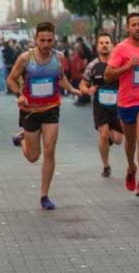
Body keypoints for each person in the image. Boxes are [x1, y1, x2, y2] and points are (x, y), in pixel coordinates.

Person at [7, 22, 82, 210]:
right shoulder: (25, 59)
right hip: (30, 111)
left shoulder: (59, 57)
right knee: (33, 156)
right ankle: (21, 139)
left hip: (51, 108)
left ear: (54, 39)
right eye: (43, 40)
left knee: (49, 150)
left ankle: (44, 195)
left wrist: (72, 89)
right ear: (35, 40)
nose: (46, 44)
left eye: (50, 40)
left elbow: (61, 77)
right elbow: (11, 79)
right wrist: (20, 95)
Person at [105, 13, 139, 197]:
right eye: (133, 25)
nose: (137, 27)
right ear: (127, 28)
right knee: (130, 140)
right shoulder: (120, 49)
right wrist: (127, 66)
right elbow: (108, 75)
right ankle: (131, 166)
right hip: (127, 101)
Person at [80, 32, 124, 178]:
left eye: (107, 43)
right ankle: (106, 166)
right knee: (103, 134)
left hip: (117, 105)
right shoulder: (92, 65)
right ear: (97, 46)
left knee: (118, 140)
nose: (104, 45)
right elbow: (83, 84)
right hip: (100, 106)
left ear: (112, 45)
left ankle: (108, 139)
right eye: (101, 43)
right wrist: (88, 90)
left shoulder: (119, 63)